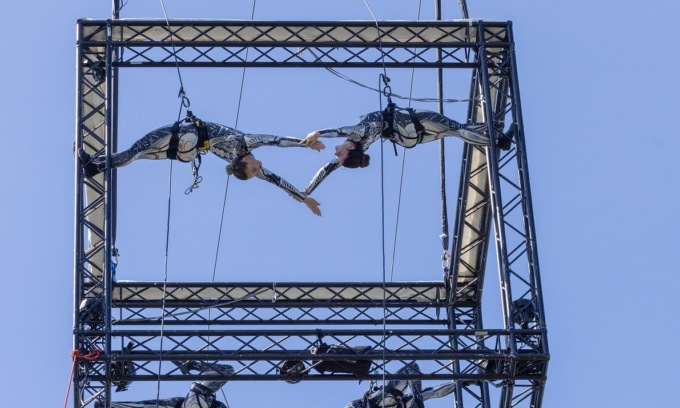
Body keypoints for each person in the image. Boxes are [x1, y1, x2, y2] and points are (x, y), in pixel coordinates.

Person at [78, 113, 325, 216]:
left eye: (254, 172)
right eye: (255, 171)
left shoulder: (241, 151)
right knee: (138, 156)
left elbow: (275, 171)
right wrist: (303, 144)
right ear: (247, 160)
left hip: (188, 138)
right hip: (186, 148)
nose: (259, 170)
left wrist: (303, 197)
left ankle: (96, 165)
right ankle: (96, 166)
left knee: (137, 151)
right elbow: (277, 143)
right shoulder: (243, 144)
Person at [298, 107, 494, 195]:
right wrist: (318, 133)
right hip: (409, 123)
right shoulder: (359, 135)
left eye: (337, 156)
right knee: (455, 129)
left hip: (407, 138)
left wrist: (307, 190)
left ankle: (494, 131)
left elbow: (326, 170)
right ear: (349, 148)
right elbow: (340, 131)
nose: (335, 153)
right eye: (339, 154)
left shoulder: (360, 144)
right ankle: (496, 139)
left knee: (453, 131)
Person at [100, 360, 234, 408]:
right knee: (155, 404)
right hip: (194, 402)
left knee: (227, 369)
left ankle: (190, 364)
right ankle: (189, 364)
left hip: (197, 401)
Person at [345, 363, 456, 408]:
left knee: (427, 393)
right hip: (385, 399)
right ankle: (418, 400)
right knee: (411, 368)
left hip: (389, 400)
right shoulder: (351, 405)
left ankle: (460, 383)